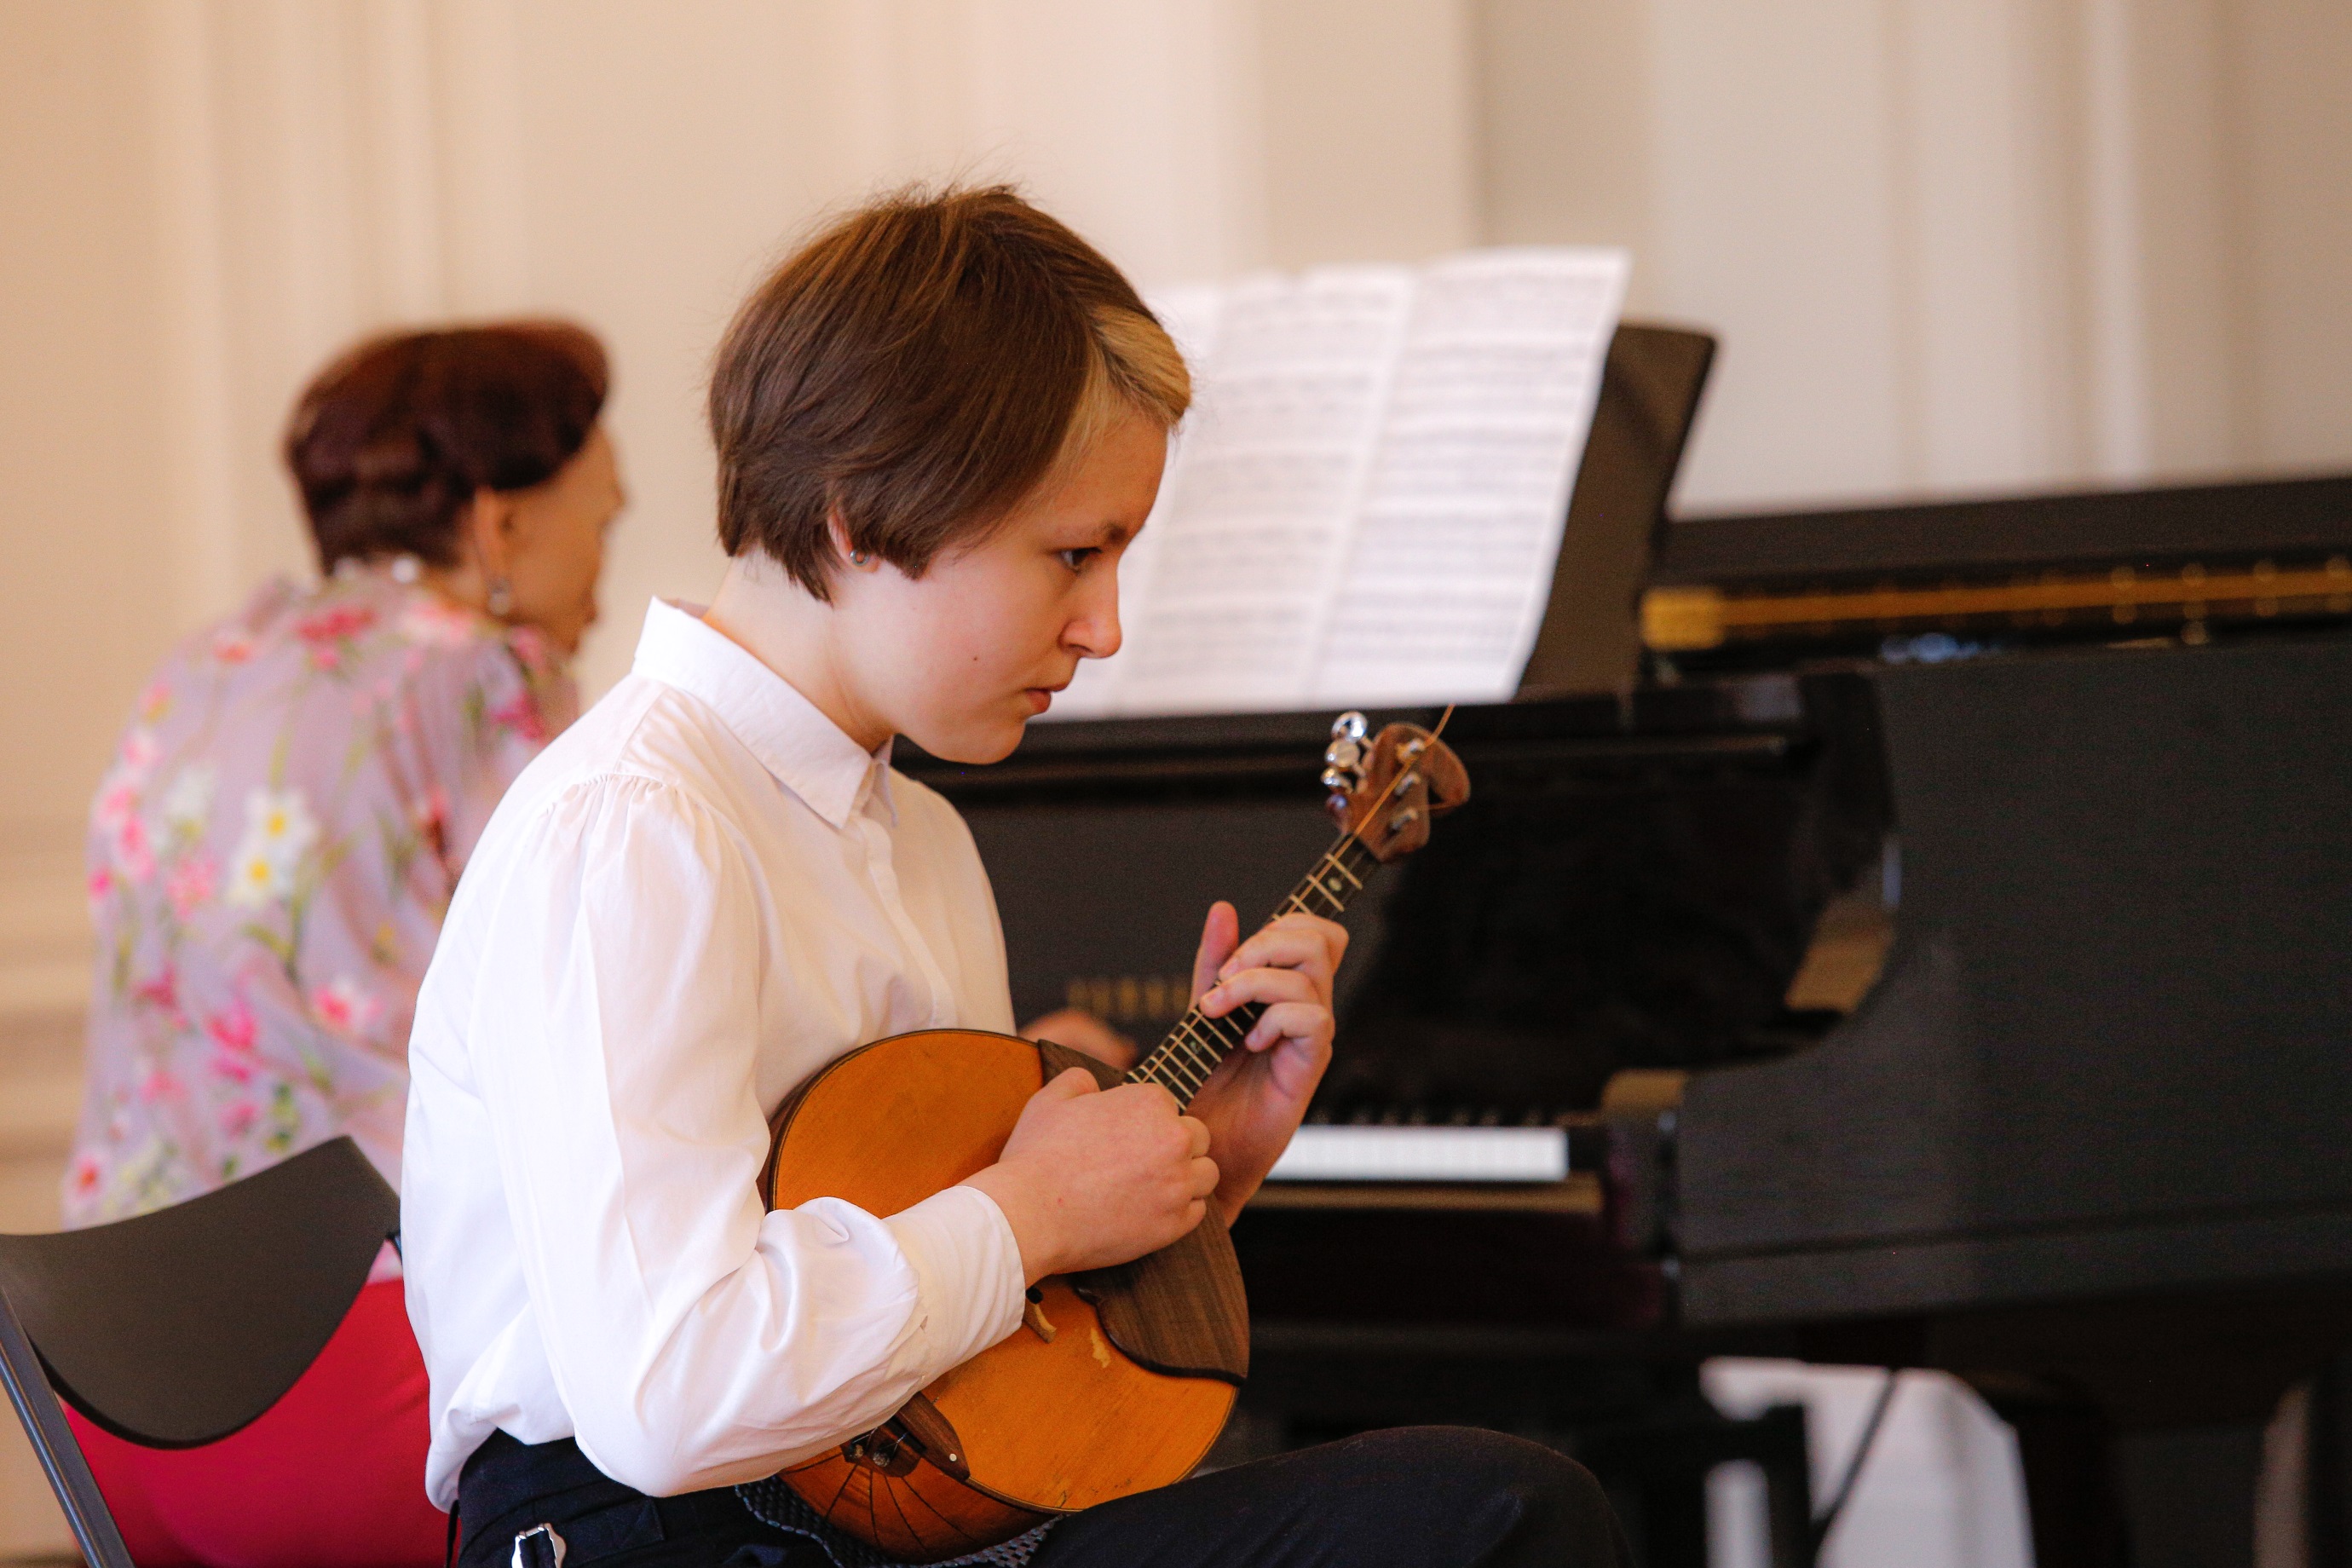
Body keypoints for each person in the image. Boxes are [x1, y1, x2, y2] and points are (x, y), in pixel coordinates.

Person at [403, 187, 1629, 1568]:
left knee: (1478, 1512)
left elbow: (969, 1361)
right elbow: (668, 1396)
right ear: (861, 515)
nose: (1105, 627)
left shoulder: (923, 838)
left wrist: (1186, 1186)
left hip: (885, 1528)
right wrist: (1035, 1209)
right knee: (1495, 1520)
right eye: (1073, 555)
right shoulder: (635, 829)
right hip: (654, 1540)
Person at [63, 320, 625, 1567]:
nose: (604, 566)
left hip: (108, 1407)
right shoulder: (489, 673)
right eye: (604, 518)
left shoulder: (206, 663)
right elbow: (593, 998)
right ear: (500, 527)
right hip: (354, 1393)